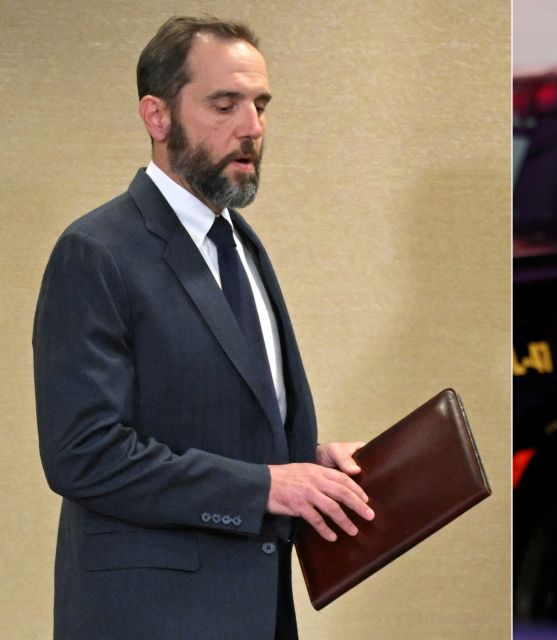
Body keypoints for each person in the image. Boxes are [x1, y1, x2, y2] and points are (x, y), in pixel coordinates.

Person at [33, 16, 375, 640]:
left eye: (261, 105)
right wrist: (266, 486)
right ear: (157, 117)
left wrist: (308, 463)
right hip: (149, 619)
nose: (253, 128)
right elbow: (83, 456)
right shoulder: (95, 251)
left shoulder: (241, 241)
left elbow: (217, 419)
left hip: (258, 613)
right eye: (225, 105)